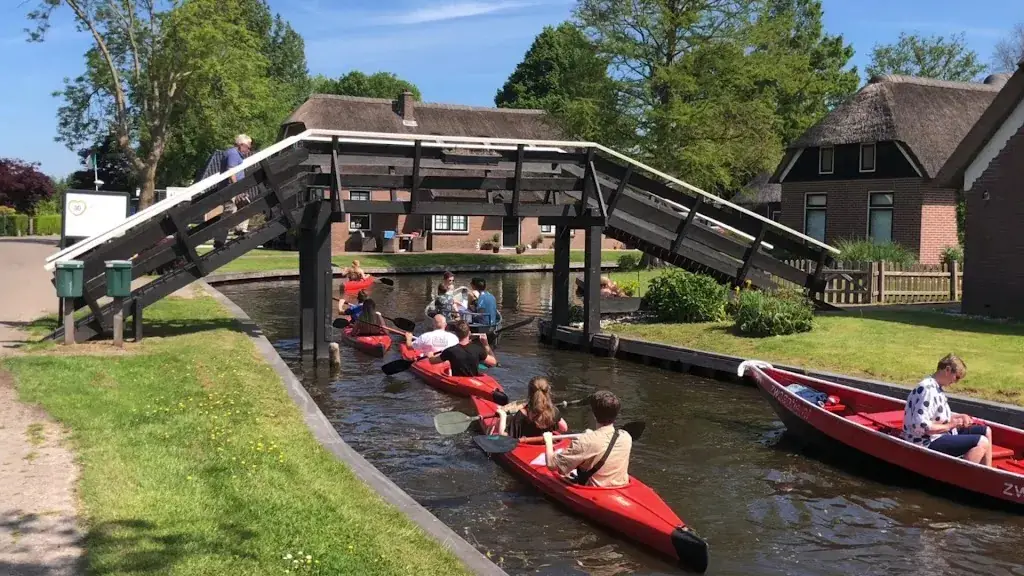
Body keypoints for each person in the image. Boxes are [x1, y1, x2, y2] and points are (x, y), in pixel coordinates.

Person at [902, 354, 993, 467]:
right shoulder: (927, 390)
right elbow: (921, 426)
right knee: (982, 441)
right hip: (925, 441)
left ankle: (988, 472)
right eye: (957, 377)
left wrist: (959, 417)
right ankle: (963, 479)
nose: (956, 382)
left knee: (986, 431)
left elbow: (937, 416)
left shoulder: (936, 387)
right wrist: (950, 425)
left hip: (939, 433)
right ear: (948, 370)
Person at [544, 390, 632, 488]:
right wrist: (590, 434)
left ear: (594, 415)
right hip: (620, 486)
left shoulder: (585, 442)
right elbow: (603, 441)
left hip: (595, 491)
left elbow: (551, 465)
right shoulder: (626, 437)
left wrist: (548, 440)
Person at [213, 134, 254, 248]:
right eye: (248, 147)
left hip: (235, 189)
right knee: (229, 212)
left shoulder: (236, 155)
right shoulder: (233, 153)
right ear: (241, 145)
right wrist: (237, 188)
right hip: (231, 189)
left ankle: (240, 229)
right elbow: (231, 172)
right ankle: (219, 240)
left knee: (245, 206)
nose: (248, 150)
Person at [497, 377, 569, 438]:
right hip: (546, 445)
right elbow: (564, 428)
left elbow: (503, 437)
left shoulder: (522, 414)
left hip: (527, 450)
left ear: (529, 393)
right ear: (547, 391)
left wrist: (503, 415)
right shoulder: (554, 411)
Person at [428, 320, 497, 377]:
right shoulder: (478, 349)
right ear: (469, 333)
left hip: (457, 382)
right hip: (474, 381)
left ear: (456, 334)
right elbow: (493, 362)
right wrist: (486, 344)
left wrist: (430, 354)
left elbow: (432, 361)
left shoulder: (450, 351)